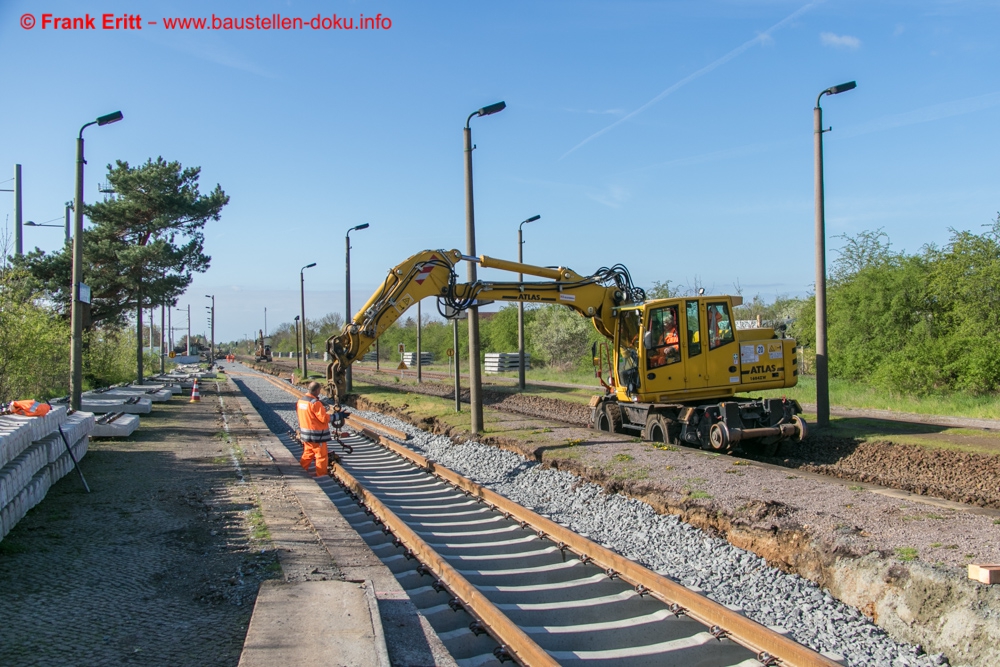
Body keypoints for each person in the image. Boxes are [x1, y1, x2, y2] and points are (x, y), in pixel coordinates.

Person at [296, 381, 331, 477]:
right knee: (321, 456)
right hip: (317, 436)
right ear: (316, 391)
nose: (319, 391)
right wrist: (336, 416)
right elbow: (323, 418)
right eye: (319, 390)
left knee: (308, 454)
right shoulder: (315, 403)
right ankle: (322, 475)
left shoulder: (301, 401)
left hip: (305, 434)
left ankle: (301, 472)